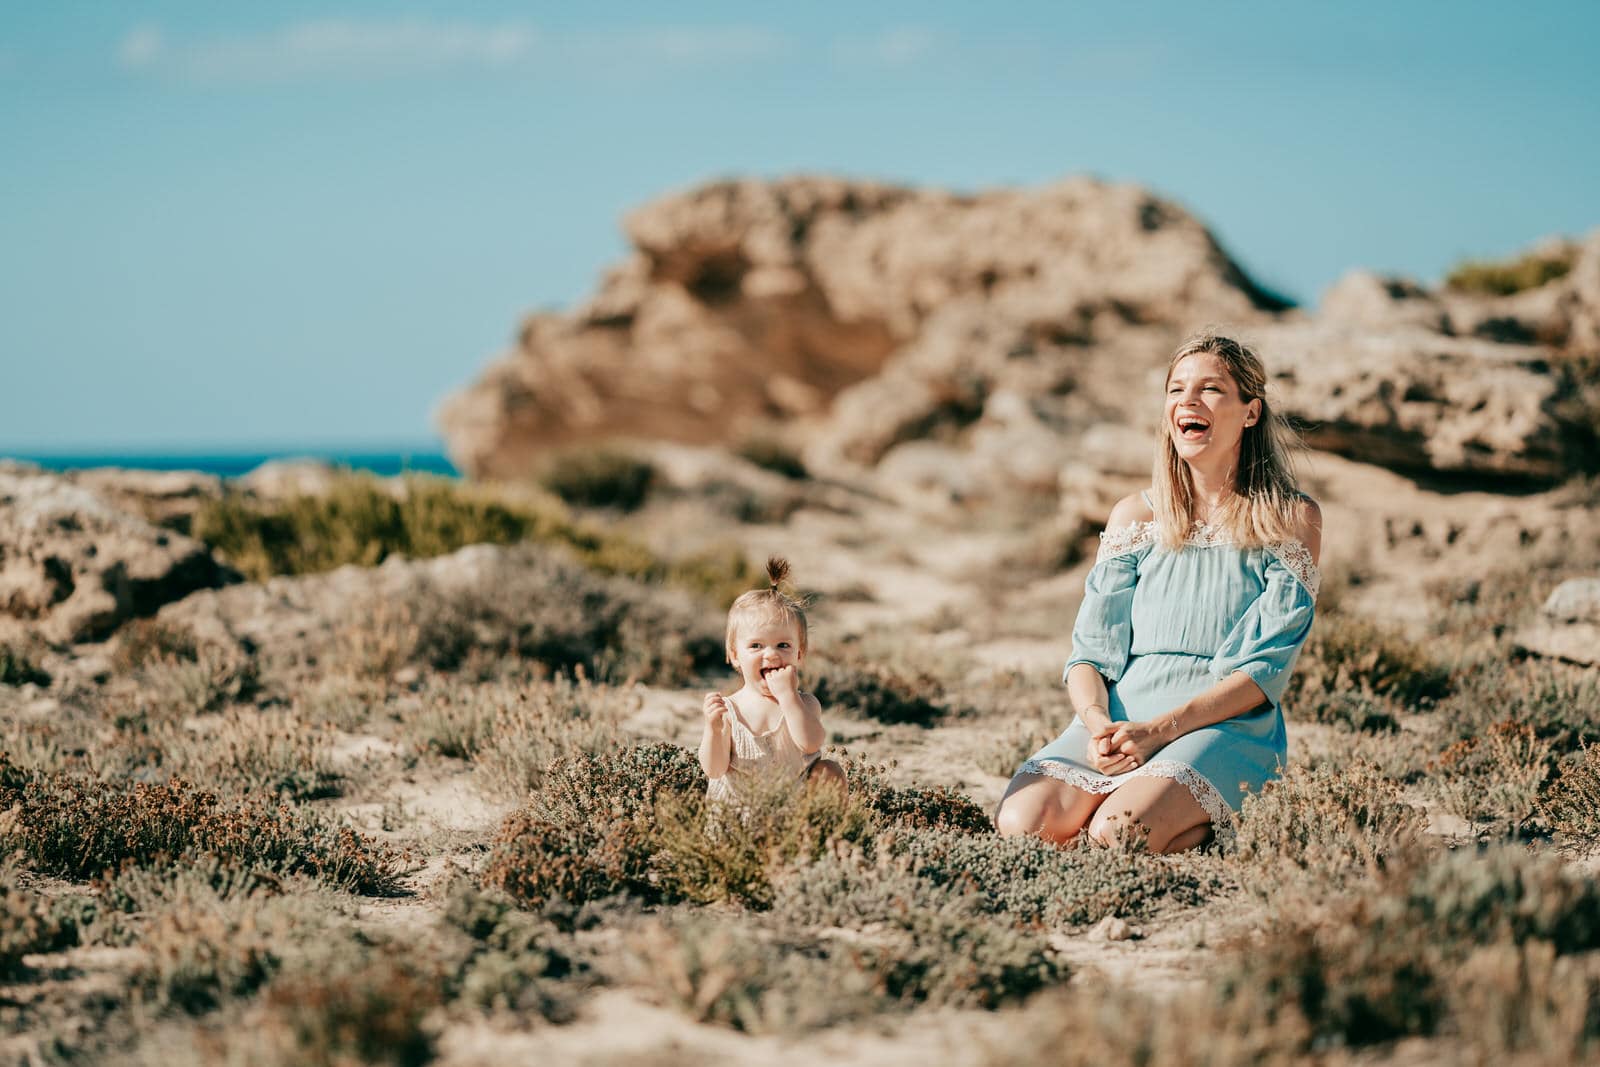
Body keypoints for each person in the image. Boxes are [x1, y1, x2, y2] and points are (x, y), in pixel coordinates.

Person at [994, 331, 1323, 853]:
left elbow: (1263, 673)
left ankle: (1220, 822)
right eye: (1176, 390)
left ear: (1251, 412)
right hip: (1122, 721)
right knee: (1022, 823)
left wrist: (1161, 731)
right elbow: (1088, 656)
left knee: (1117, 835)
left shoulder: (1289, 518)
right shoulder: (1134, 516)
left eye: (1211, 389)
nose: (1188, 402)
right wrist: (1100, 725)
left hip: (1223, 725)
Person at [700, 556, 846, 800]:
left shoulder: (805, 705)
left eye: (783, 645)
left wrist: (789, 697)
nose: (771, 654)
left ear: (799, 654)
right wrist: (714, 729)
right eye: (756, 645)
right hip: (738, 820)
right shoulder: (728, 710)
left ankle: (827, 834)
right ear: (735, 656)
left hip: (790, 821)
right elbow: (714, 769)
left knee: (829, 770)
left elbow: (810, 743)